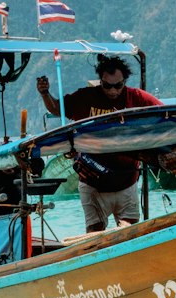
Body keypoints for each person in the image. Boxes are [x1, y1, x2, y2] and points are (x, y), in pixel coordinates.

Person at [37, 53, 160, 230]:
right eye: (107, 85)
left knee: (129, 232)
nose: (112, 91)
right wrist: (45, 93)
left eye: (118, 86)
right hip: (93, 184)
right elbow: (57, 108)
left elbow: (164, 113)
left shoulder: (136, 98)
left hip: (127, 182)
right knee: (95, 232)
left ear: (124, 81)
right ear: (100, 81)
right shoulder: (86, 97)